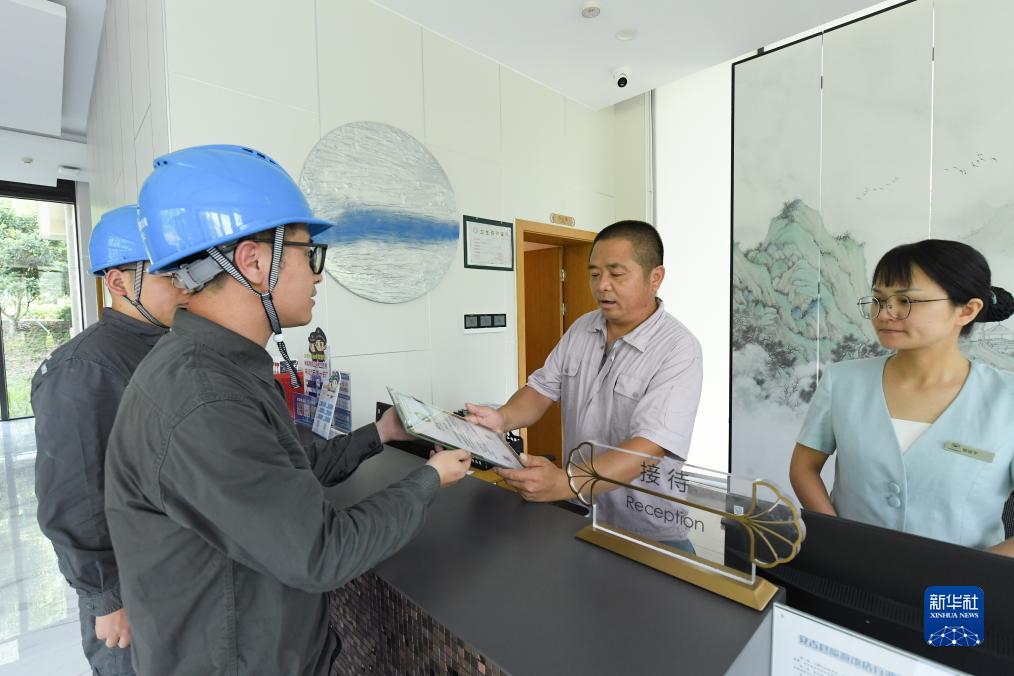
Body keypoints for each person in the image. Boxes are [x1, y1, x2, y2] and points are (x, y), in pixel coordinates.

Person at [103, 144, 471, 676]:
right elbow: (321, 554)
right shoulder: (206, 398)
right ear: (254, 262)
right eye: (310, 254)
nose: (318, 275)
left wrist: (383, 431)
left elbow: (291, 469)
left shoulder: (219, 368)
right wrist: (430, 479)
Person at [467, 220, 703, 549]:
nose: (602, 285)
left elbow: (649, 448)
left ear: (655, 277)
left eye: (616, 274)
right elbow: (541, 390)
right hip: (581, 514)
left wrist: (565, 482)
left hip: (645, 528)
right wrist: (502, 418)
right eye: (594, 274)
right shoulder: (582, 328)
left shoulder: (679, 348)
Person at [32, 204, 190, 675]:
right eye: (170, 274)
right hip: (128, 594)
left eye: (188, 271)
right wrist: (105, 597)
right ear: (120, 283)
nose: (186, 286)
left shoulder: (170, 348)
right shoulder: (85, 367)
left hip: (175, 574)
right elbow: (73, 495)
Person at [789, 239, 1014, 554]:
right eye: (879, 299)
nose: (885, 313)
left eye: (906, 300)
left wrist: (972, 573)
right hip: (851, 568)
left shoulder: (1007, 398)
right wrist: (840, 542)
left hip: (964, 581)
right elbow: (803, 468)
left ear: (966, 310)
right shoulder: (843, 380)